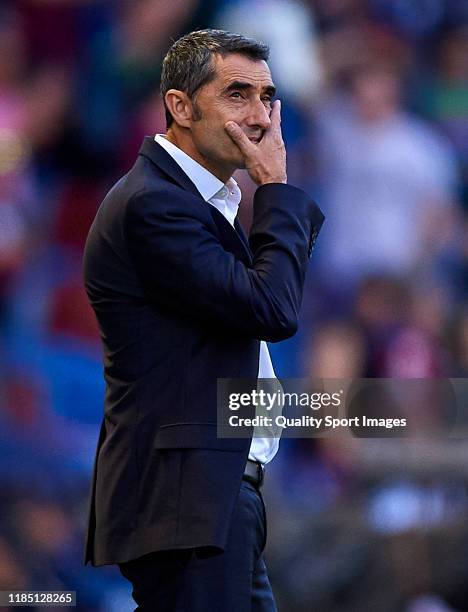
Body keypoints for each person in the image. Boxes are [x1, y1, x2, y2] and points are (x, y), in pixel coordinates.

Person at [82, 29, 324, 611]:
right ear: (180, 106)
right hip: (184, 505)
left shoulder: (198, 203)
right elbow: (272, 309)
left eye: (267, 97)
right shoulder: (153, 204)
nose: (260, 115)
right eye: (237, 94)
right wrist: (273, 188)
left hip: (212, 502)